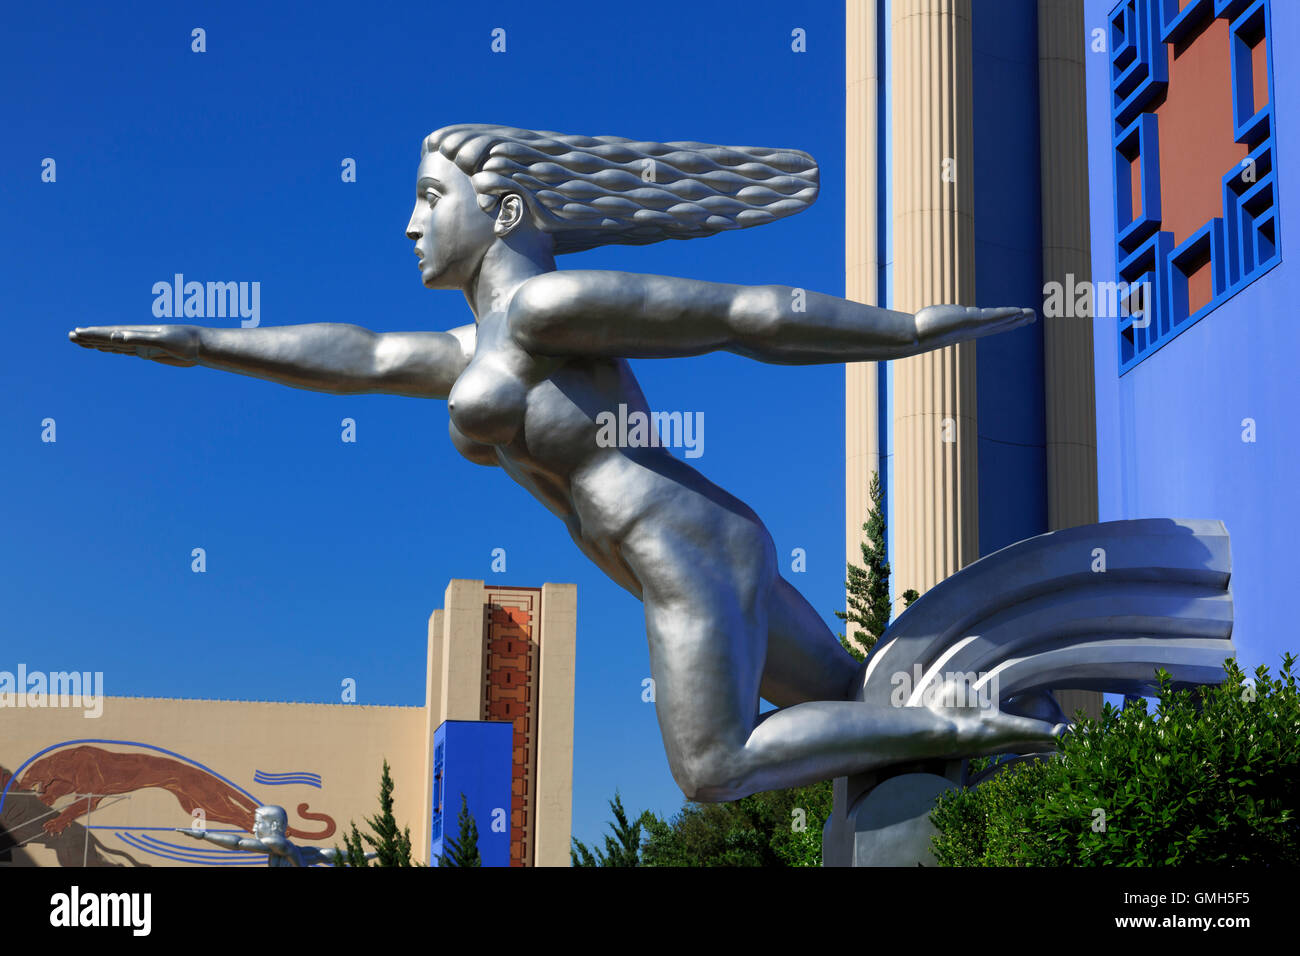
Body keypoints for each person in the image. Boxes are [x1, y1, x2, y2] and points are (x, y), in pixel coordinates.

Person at [71, 124, 1059, 802]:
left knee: (713, 769)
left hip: (685, 550)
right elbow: (361, 358)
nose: (409, 225)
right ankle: (989, 733)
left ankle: (972, 731)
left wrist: (906, 329)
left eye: (428, 198)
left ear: (502, 211)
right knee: (853, 698)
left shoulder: (548, 308)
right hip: (680, 553)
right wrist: (202, 340)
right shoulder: (471, 352)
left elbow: (737, 317)